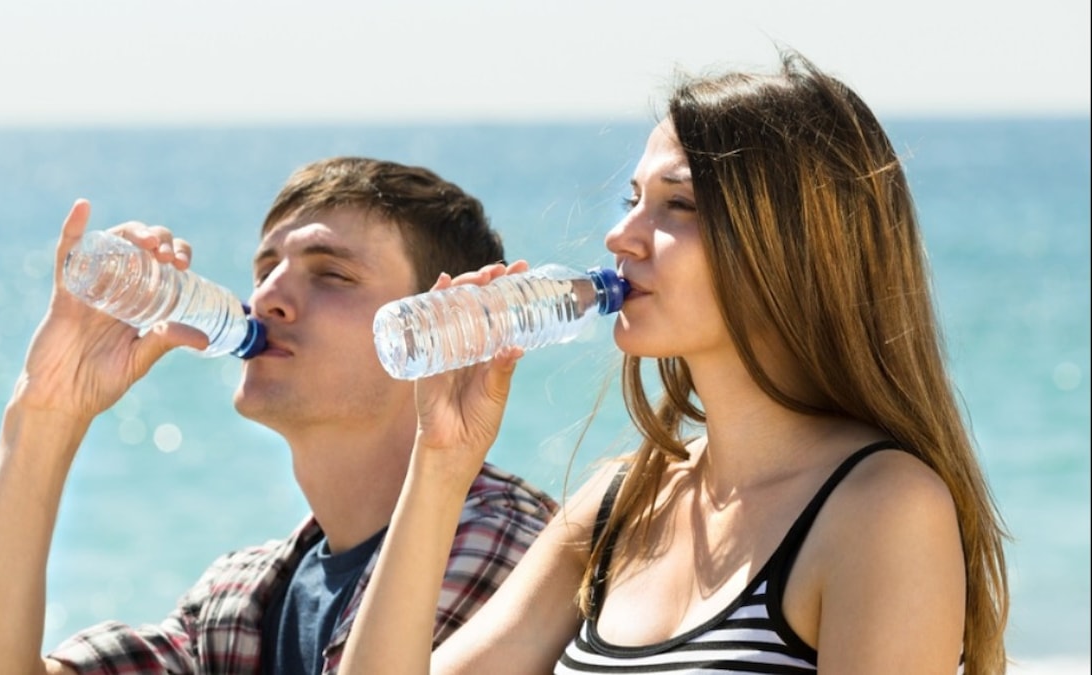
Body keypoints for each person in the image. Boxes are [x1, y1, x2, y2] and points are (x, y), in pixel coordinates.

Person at [340, 52, 1010, 674]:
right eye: (632, 199)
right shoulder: (619, 505)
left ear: (794, 244)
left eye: (677, 203)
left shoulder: (882, 506)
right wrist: (439, 463)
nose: (619, 234)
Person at [0, 157, 558, 675]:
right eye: (265, 269)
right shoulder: (242, 599)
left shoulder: (506, 545)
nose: (267, 298)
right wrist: (44, 415)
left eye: (331, 274)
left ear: (441, 330)